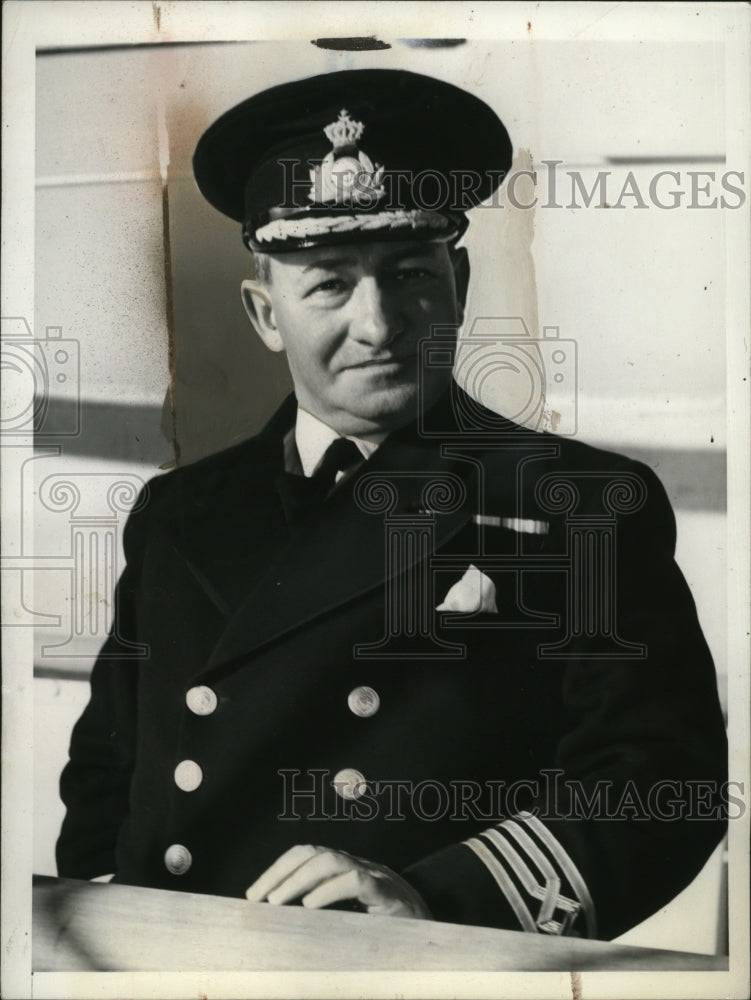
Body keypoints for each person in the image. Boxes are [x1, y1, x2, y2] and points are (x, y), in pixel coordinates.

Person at [56, 68, 727, 940]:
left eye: (409, 274)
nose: (378, 325)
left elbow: (659, 783)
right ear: (266, 314)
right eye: (329, 285)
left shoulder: (580, 504)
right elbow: (107, 772)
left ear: (459, 281)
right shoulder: (177, 511)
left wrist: (435, 901)